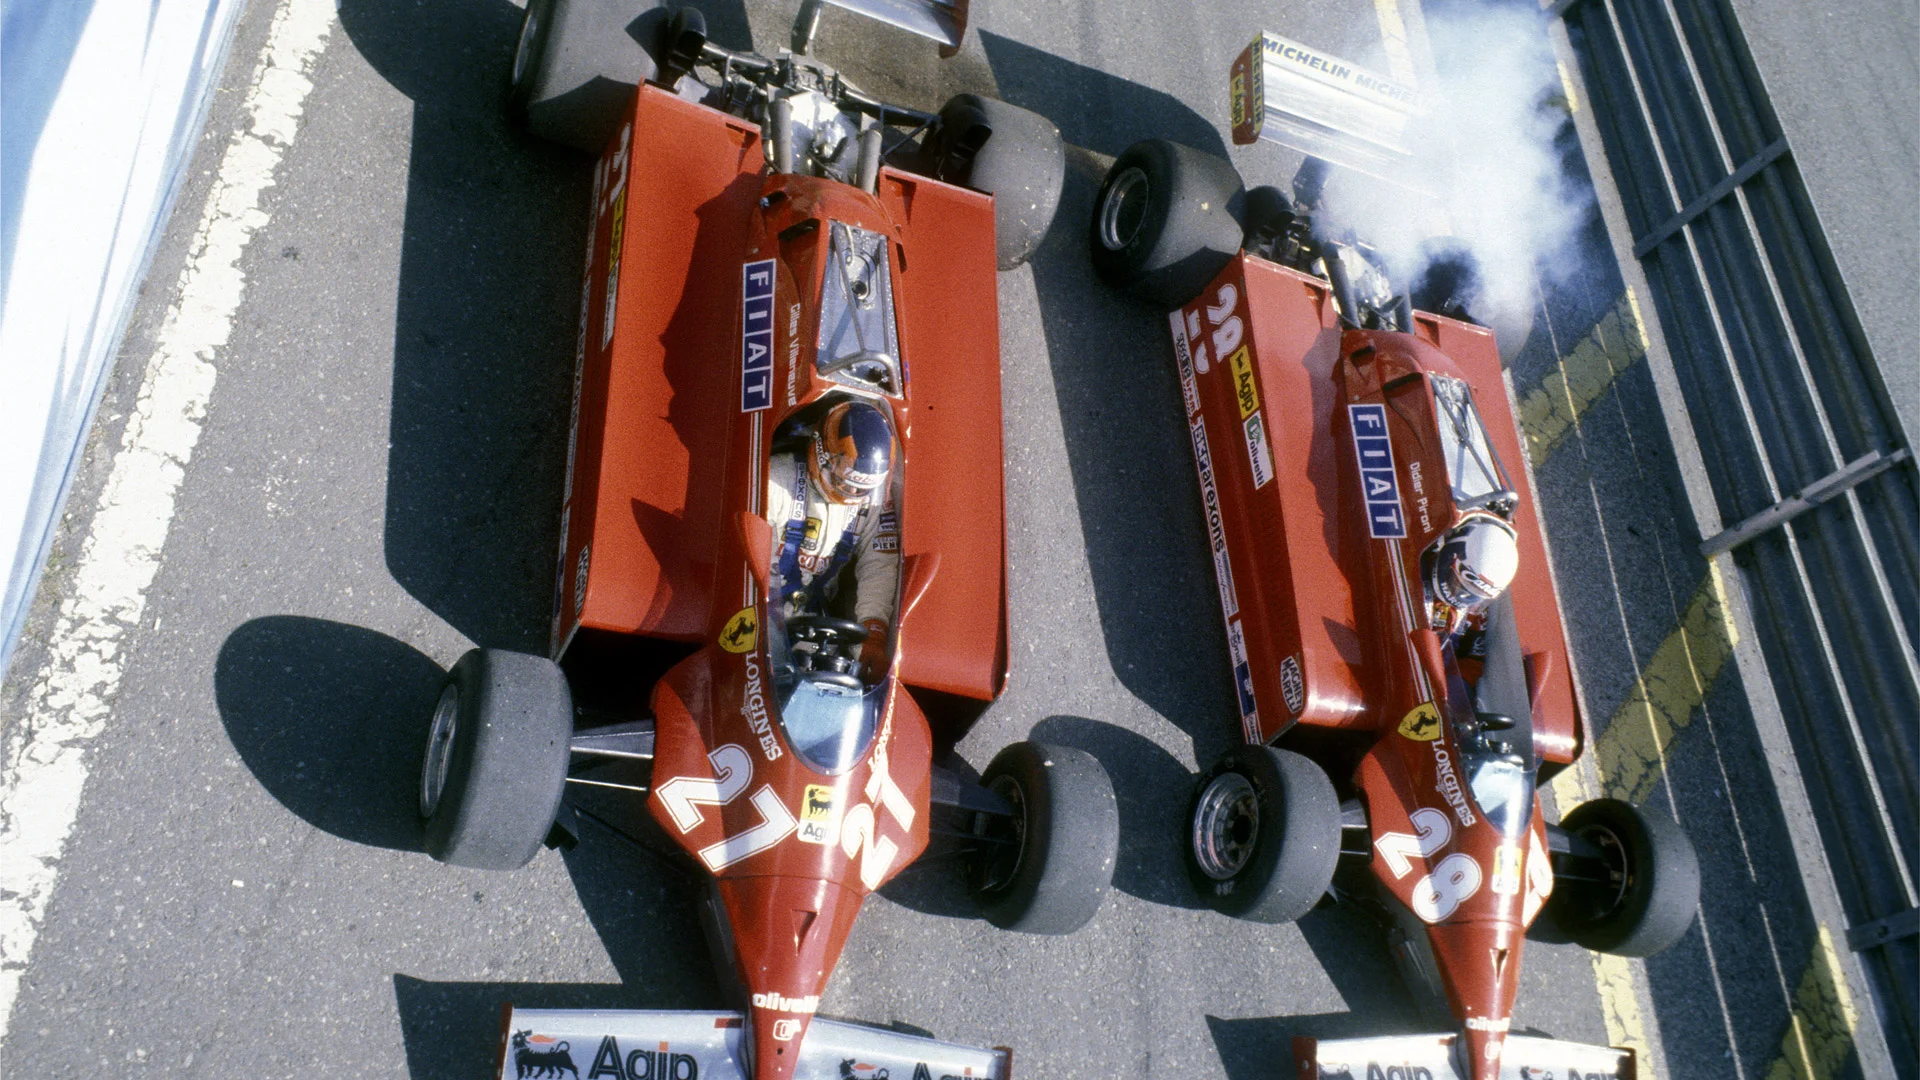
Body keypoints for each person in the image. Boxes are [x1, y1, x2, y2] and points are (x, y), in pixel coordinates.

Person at [766, 399, 901, 680]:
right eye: (845, 482)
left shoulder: (873, 503)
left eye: (862, 488)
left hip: (819, 620)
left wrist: (873, 635)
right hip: (762, 612)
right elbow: (749, 558)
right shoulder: (775, 481)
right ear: (821, 455)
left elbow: (879, 568)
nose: (853, 493)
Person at [1424, 512, 1519, 638]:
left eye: (1474, 595)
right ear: (1451, 558)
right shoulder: (1423, 541)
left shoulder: (1467, 617)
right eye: (1459, 585)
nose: (1462, 597)